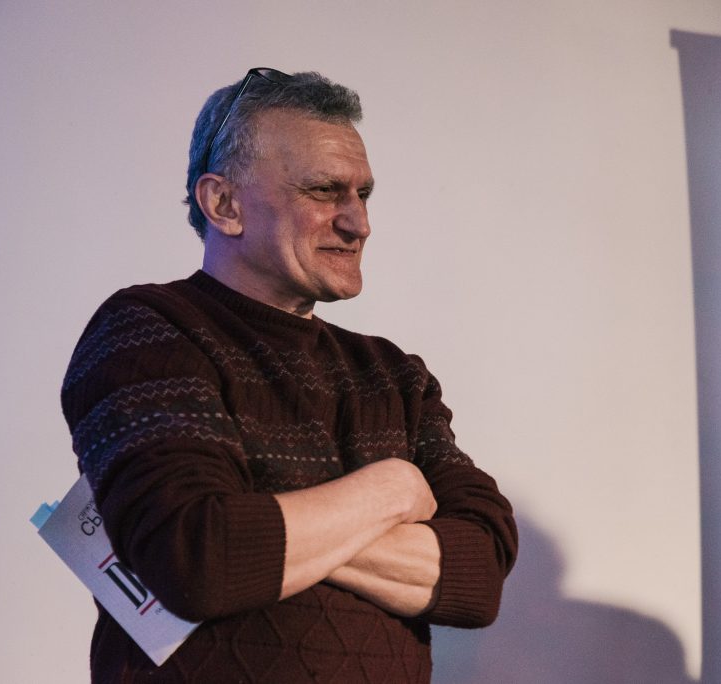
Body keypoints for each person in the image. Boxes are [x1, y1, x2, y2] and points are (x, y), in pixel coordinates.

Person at [61, 68, 517, 683]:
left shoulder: (394, 376)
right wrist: (392, 490)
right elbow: (199, 558)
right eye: (325, 191)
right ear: (224, 204)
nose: (359, 223)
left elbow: (478, 575)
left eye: (363, 194)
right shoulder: (150, 328)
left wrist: (269, 522)